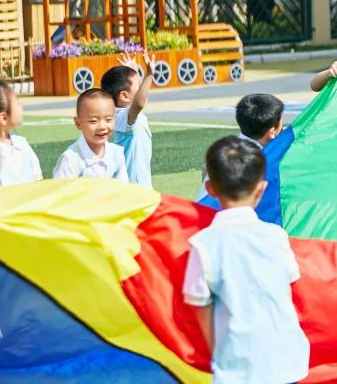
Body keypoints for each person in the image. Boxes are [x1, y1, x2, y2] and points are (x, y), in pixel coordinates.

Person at [183, 137, 309, 383]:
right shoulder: (276, 236)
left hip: (237, 367)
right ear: (261, 189)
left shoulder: (203, 244)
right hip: (286, 361)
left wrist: (218, 353)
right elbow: (292, 290)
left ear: (210, 188)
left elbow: (200, 309)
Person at [198, 93, 285, 201]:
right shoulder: (262, 161)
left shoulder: (226, 150)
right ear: (272, 131)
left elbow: (205, 170)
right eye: (282, 124)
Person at [101, 52, 156, 189]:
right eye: (139, 85)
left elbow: (137, 100)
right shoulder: (121, 116)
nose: (143, 87)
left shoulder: (122, 113)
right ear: (124, 96)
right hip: (134, 188)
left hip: (135, 186)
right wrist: (149, 75)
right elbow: (139, 103)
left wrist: (133, 71)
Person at [53, 89, 129, 182]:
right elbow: (61, 190)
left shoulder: (116, 153)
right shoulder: (70, 160)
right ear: (78, 123)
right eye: (93, 121)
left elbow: (124, 188)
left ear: (115, 119)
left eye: (108, 120)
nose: (102, 126)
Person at [0, 80, 42, 185]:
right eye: (17, 103)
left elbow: (38, 180)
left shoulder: (22, 144)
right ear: (3, 118)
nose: (21, 107)